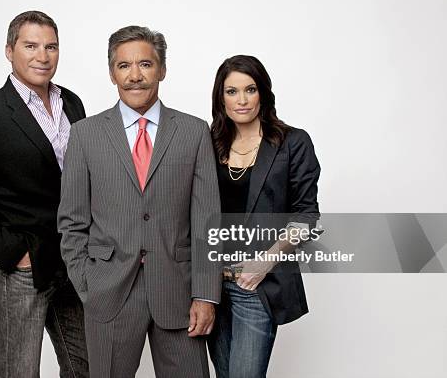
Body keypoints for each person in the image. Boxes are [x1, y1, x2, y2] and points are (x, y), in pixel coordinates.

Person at [57, 25, 222, 378]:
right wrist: (88, 284)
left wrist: (207, 294)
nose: (135, 76)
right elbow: (71, 221)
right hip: (109, 292)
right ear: (112, 73)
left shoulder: (194, 132)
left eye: (145, 64)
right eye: (124, 66)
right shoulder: (85, 135)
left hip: (179, 292)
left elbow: (208, 221)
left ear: (162, 69)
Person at [0, 10, 88, 378]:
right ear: (9, 50)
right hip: (21, 270)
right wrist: (13, 254)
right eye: (31, 45)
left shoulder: (72, 104)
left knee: (88, 366)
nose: (43, 55)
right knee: (17, 372)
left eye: (51, 46)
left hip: (71, 261)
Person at [207, 55, 321, 378]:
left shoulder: (292, 143)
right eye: (231, 91)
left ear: (263, 93)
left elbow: (307, 217)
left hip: (256, 285)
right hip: (213, 286)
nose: (241, 100)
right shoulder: (211, 143)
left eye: (250, 89)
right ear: (220, 97)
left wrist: (264, 263)